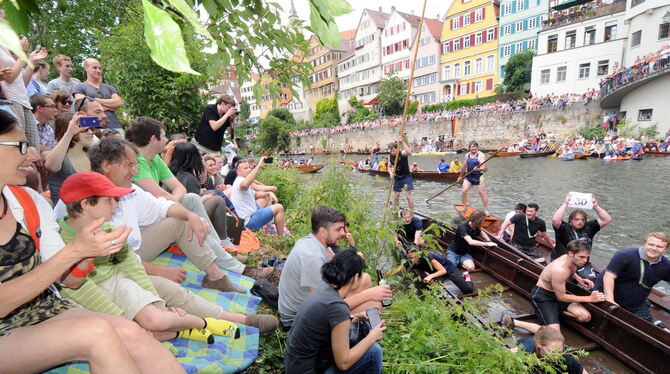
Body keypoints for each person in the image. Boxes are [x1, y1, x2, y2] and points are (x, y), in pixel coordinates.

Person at [0, 110, 185, 374]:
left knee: (130, 331)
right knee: (96, 332)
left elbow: (69, 281)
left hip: (44, 311)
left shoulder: (28, 201)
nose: (31, 155)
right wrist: (75, 251)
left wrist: (87, 255)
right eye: (20, 146)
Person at [57, 171, 244, 343]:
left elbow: (132, 267)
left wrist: (156, 304)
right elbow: (79, 289)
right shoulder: (58, 240)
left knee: (156, 318)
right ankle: (181, 329)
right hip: (90, 299)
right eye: (110, 200)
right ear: (86, 204)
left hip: (118, 284)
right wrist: (123, 320)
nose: (116, 205)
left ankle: (202, 323)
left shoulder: (109, 229)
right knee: (134, 332)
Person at [53, 137, 249, 294]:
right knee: (172, 297)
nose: (135, 171)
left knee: (180, 220)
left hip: (132, 254)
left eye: (135, 165)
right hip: (104, 268)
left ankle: (216, 277)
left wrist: (191, 216)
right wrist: (159, 271)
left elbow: (162, 207)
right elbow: (107, 259)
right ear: (106, 165)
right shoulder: (80, 199)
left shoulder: (130, 190)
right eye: (129, 166)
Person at [125, 118, 268, 278]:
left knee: (192, 198)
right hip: (145, 225)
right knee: (187, 216)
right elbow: (157, 196)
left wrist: (172, 203)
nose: (167, 140)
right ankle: (235, 267)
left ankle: (221, 251)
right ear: (153, 139)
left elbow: (179, 188)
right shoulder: (136, 162)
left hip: (158, 210)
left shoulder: (155, 159)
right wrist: (175, 207)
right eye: (164, 136)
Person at [278, 206, 392, 328]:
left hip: (315, 303)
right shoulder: (312, 257)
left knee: (365, 279)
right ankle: (357, 333)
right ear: (323, 231)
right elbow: (321, 305)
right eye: (338, 229)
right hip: (300, 319)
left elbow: (341, 267)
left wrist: (342, 244)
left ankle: (358, 323)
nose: (343, 233)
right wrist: (370, 294)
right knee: (373, 305)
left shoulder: (314, 242)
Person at [284, 250, 384, 374]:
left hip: (295, 365)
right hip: (310, 370)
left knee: (363, 329)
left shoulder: (325, 288)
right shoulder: (338, 307)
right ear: (354, 278)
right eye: (361, 274)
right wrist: (372, 337)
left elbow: (326, 321)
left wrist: (354, 317)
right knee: (374, 352)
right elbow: (343, 363)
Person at [518, 240, 605, 333]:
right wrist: (590, 298)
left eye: (587, 257)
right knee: (553, 333)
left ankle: (553, 313)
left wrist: (579, 278)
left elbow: (571, 270)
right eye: (581, 257)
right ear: (571, 253)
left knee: (585, 317)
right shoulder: (559, 270)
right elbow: (561, 297)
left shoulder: (569, 258)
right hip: (543, 295)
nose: (585, 261)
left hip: (557, 294)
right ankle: (514, 322)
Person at [596, 232, 670, 330]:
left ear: (665, 249)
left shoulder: (666, 265)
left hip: (636, 301)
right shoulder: (625, 255)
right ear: (644, 243)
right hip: (608, 294)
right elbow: (608, 277)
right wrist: (610, 300)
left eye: (659, 246)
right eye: (651, 244)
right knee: (612, 324)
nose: (654, 248)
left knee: (646, 327)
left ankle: (654, 322)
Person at [0, 38, 48, 148]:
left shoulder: (6, 49)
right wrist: (23, 56)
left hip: (24, 102)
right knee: (19, 146)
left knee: (33, 148)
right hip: (11, 100)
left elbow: (23, 84)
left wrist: (31, 60)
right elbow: (9, 77)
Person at [552, 193, 611, 279]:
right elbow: (555, 220)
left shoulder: (589, 227)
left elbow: (606, 219)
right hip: (564, 262)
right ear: (570, 220)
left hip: (582, 262)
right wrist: (566, 204)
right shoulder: (564, 227)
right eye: (577, 219)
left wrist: (595, 206)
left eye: (582, 220)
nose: (580, 222)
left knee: (591, 281)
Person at [230, 157, 287, 234]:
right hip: (248, 223)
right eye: (245, 168)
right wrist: (258, 166)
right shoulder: (240, 181)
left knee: (265, 198)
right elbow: (244, 185)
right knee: (279, 207)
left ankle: (269, 228)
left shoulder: (242, 179)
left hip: (248, 216)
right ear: (238, 171)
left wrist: (268, 192)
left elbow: (255, 194)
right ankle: (281, 237)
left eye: (249, 167)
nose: (249, 169)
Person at [45, 112, 93, 204]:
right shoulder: (58, 156)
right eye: (84, 130)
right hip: (66, 214)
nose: (90, 132)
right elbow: (51, 166)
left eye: (89, 129)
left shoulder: (91, 154)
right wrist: (69, 133)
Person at [390, 247, 474, 295]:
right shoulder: (410, 261)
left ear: (419, 255)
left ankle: (466, 276)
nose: (412, 260)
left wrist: (430, 276)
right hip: (436, 273)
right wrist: (384, 276)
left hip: (447, 268)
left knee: (468, 290)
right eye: (409, 258)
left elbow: (443, 270)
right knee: (435, 288)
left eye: (414, 257)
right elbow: (396, 269)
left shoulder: (427, 257)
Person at [72, 58, 124, 131]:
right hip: (92, 128)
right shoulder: (80, 86)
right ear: (86, 68)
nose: (98, 70)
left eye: (100, 68)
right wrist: (111, 107)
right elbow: (82, 105)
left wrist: (94, 99)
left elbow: (119, 102)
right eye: (94, 68)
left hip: (115, 126)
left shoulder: (109, 87)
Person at [514, 327, 588, 374]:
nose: (556, 356)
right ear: (539, 344)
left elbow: (581, 372)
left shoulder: (565, 355)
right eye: (551, 351)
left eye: (559, 351)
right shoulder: (525, 350)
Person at [458, 141, 489, 214]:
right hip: (469, 176)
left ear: (477, 148)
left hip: (479, 176)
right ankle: (464, 207)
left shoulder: (480, 155)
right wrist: (460, 176)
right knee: (464, 191)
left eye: (475, 146)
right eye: (472, 147)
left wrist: (478, 168)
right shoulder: (467, 155)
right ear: (469, 148)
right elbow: (464, 166)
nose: (474, 148)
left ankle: (486, 210)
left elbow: (484, 167)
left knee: (481, 193)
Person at [388, 139, 414, 211]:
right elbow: (389, 167)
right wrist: (390, 173)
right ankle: (397, 212)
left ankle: (411, 212)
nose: (392, 152)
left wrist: (402, 142)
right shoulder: (390, 156)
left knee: (408, 195)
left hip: (406, 177)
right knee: (397, 196)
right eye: (391, 151)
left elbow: (409, 152)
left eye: (393, 150)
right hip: (397, 178)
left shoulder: (402, 153)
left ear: (397, 149)